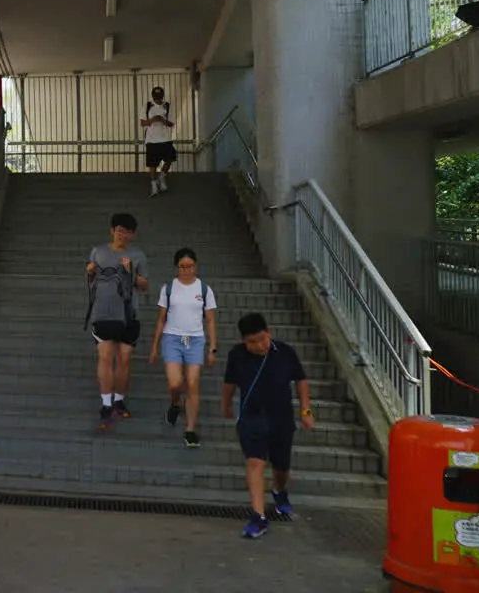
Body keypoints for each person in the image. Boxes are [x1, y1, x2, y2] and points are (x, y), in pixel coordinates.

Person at [221, 312, 315, 539]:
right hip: (252, 417)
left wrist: (306, 410)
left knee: (281, 465)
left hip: (281, 416)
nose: (258, 346)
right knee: (255, 461)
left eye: (262, 339)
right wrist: (225, 405)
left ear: (269, 333)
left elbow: (301, 380)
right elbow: (229, 383)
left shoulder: (284, 352)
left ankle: (280, 491)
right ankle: (258, 516)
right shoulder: (237, 355)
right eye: (252, 342)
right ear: (244, 341)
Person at [85, 212, 149, 428]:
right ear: (112, 230)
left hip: (129, 314)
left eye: (127, 232)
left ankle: (119, 400)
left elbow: (144, 285)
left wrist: (131, 273)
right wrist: (89, 272)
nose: (123, 235)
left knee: (124, 358)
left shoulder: (138, 255)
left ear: (133, 234)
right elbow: (91, 278)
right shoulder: (98, 252)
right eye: (119, 230)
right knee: (105, 358)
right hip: (102, 312)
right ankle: (105, 404)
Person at [149, 248, 218, 448]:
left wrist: (212, 348)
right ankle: (175, 403)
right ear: (176, 267)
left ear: (195, 266)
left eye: (190, 266)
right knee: (175, 383)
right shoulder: (169, 288)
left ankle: (190, 429)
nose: (186, 270)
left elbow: (211, 320)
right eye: (182, 267)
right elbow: (161, 320)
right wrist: (154, 346)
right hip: (172, 338)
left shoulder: (204, 289)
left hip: (195, 340)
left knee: (193, 383)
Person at [140, 85, 177, 197]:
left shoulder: (168, 106)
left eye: (159, 97)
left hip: (165, 139)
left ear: (162, 97)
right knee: (152, 164)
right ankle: (154, 185)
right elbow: (142, 123)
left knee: (170, 159)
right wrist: (152, 120)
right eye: (156, 98)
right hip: (151, 140)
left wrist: (162, 120)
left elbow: (171, 123)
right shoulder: (147, 106)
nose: (158, 100)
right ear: (153, 97)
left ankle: (162, 176)